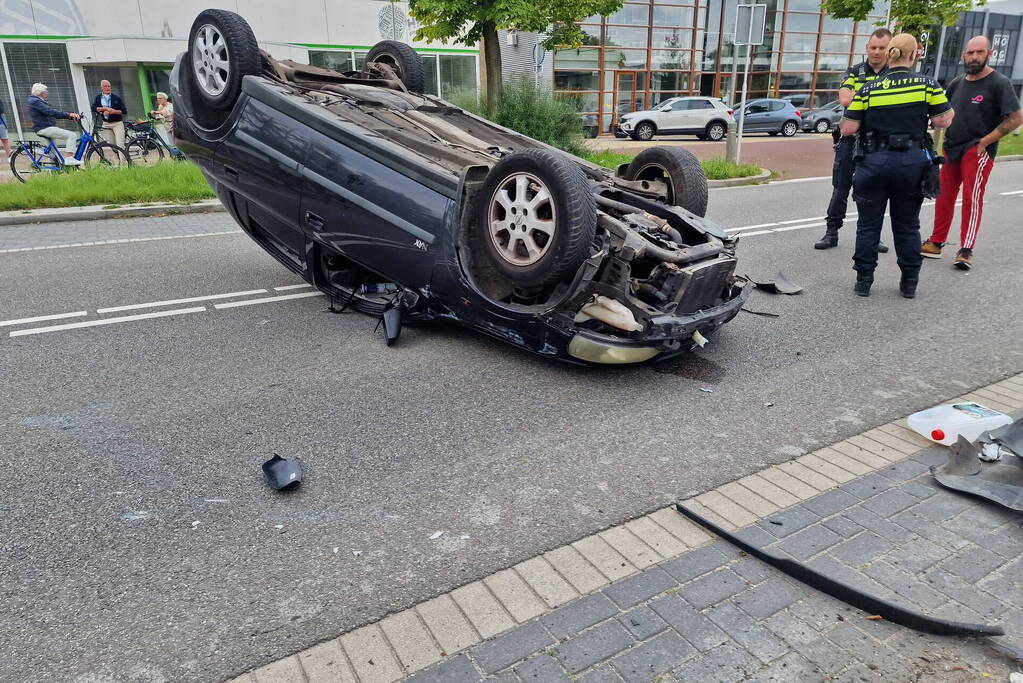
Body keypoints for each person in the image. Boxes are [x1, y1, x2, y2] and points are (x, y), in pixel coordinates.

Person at [840, 33, 955, 298]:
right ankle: (909, 283)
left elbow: (848, 128)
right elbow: (944, 120)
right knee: (907, 225)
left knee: (868, 225)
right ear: (914, 54)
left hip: (873, 163)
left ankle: (863, 281)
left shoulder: (869, 88)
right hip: (911, 165)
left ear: (889, 53)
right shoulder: (927, 84)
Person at [922, 36, 1023, 270]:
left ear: (989, 53)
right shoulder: (956, 83)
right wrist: (936, 148)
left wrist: (984, 142)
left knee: (971, 198)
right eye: (970, 53)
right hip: (951, 149)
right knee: (944, 196)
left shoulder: (999, 82)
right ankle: (936, 242)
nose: (974, 57)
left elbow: (1016, 117)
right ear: (963, 56)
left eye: (979, 52)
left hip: (976, 151)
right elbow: (941, 116)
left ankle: (966, 249)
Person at [815, 28, 893, 253]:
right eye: (873, 47)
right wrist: (877, 99)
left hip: (878, 142)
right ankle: (831, 231)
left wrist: (862, 97)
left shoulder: (894, 73)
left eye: (882, 48)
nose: (876, 52)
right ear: (867, 48)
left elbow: (857, 99)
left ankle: (873, 235)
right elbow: (845, 99)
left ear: (890, 49)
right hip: (850, 138)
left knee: (874, 190)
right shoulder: (855, 71)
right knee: (840, 187)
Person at [26, 83, 83, 165]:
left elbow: (50, 113)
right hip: (44, 128)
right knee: (72, 135)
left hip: (44, 127)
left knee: (53, 155)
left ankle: (55, 173)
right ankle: (69, 158)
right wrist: (69, 115)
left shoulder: (37, 101)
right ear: (40, 92)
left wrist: (70, 117)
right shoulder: (36, 102)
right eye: (46, 91)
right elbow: (50, 112)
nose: (47, 92)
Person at [92, 79, 127, 149]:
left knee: (120, 145)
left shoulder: (116, 98)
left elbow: (124, 111)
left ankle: (123, 160)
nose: (107, 88)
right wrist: (104, 109)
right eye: (105, 86)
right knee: (112, 145)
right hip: (106, 124)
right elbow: (93, 108)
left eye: (109, 86)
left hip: (117, 123)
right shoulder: (98, 98)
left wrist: (114, 111)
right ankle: (117, 159)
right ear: (101, 87)